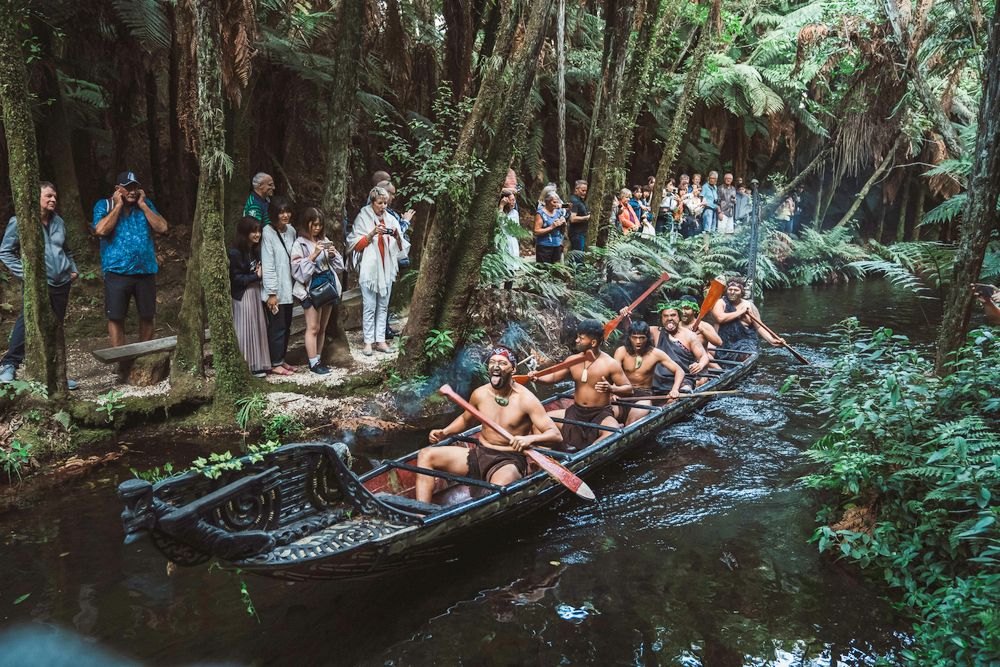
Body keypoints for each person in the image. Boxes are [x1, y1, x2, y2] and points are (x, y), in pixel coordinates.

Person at [415, 346, 563, 503]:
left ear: (513, 369)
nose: (496, 366)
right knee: (426, 455)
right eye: (492, 362)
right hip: (480, 453)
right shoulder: (480, 394)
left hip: (508, 459)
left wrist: (529, 439)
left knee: (495, 492)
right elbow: (466, 420)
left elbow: (555, 435)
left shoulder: (526, 400)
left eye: (502, 363)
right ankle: (420, 514)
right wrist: (445, 432)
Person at [0, 182, 79, 387]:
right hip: (38, 285)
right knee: (27, 322)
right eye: (48, 196)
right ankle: (9, 364)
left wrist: (73, 269)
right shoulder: (21, 222)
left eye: (55, 196)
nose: (53, 199)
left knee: (55, 327)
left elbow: (66, 250)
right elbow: (5, 252)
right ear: (37, 198)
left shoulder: (59, 222)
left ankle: (56, 375)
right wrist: (28, 275)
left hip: (62, 283)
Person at [92, 170, 168, 349]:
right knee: (116, 317)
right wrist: (118, 206)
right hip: (117, 272)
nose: (132, 191)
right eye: (127, 188)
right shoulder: (105, 205)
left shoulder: (145, 204)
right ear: (118, 189)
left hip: (145, 270)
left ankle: (144, 357)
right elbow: (101, 230)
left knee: (148, 314)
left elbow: (163, 227)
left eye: (135, 187)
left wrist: (143, 205)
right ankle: (122, 361)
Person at [530, 319, 632, 450]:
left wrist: (612, 388)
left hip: (600, 414)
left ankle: (590, 453)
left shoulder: (610, 364)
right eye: (578, 337)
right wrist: (537, 378)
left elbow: (629, 389)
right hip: (576, 412)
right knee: (540, 424)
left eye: (581, 338)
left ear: (593, 342)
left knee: (613, 432)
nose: (577, 340)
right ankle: (557, 455)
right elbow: (554, 378)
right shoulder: (573, 360)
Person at [348, 186, 407, 356]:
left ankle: (380, 340)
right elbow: (355, 245)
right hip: (370, 270)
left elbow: (401, 248)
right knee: (369, 306)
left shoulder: (390, 219)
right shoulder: (363, 217)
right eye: (380, 203)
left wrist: (396, 237)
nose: (383, 206)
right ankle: (368, 342)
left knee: (383, 305)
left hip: (387, 268)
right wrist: (372, 233)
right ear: (372, 202)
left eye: (385, 203)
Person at [292, 208, 344, 375]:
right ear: (306, 224)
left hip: (328, 286)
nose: (317, 228)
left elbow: (339, 267)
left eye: (320, 225)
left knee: (322, 327)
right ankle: (313, 363)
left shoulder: (324, 239)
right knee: (313, 327)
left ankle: (319, 359)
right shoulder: (299, 244)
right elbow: (298, 272)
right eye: (314, 225)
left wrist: (332, 255)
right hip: (310, 289)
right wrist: (313, 255)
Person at [612, 321, 684, 425]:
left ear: (647, 338)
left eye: (642, 338)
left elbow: (679, 370)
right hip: (622, 393)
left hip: (643, 396)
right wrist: (613, 390)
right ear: (629, 338)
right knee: (608, 415)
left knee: (631, 422)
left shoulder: (655, 353)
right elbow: (614, 373)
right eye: (634, 337)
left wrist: (674, 390)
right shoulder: (621, 351)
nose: (638, 341)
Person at [228, 216, 271, 378]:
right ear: (244, 232)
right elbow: (236, 279)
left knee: (257, 326)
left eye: (259, 231)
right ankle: (246, 365)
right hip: (243, 294)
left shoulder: (253, 250)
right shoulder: (235, 253)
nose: (257, 234)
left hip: (254, 293)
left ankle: (257, 363)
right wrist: (257, 275)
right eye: (254, 231)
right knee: (245, 328)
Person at [260, 197, 298, 375]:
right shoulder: (267, 232)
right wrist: (272, 293)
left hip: (288, 287)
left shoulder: (291, 231)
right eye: (281, 212)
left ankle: (281, 359)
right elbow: (268, 265)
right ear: (274, 214)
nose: (285, 215)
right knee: (277, 327)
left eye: (287, 211)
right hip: (274, 291)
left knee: (287, 325)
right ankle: (274, 362)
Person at [710, 277, 786, 353]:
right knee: (709, 350)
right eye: (730, 289)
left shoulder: (749, 306)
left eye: (736, 290)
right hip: (722, 342)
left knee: (745, 352)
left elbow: (759, 327)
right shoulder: (720, 303)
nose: (732, 292)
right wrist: (741, 312)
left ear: (742, 292)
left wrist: (771, 340)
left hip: (744, 342)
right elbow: (720, 318)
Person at [650, 305, 711, 391]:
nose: (669, 318)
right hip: (659, 378)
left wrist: (700, 365)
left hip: (684, 379)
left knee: (683, 392)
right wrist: (625, 318)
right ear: (661, 318)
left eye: (673, 315)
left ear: (679, 317)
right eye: (666, 316)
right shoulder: (655, 332)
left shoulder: (689, 335)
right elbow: (635, 333)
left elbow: (704, 356)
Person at [533, 189, 567, 263]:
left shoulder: (558, 213)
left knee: (555, 271)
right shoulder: (540, 214)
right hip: (544, 247)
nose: (556, 204)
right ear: (547, 202)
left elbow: (562, 231)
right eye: (554, 202)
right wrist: (551, 227)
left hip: (557, 245)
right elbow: (536, 231)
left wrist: (564, 224)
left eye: (557, 202)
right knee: (544, 270)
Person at [568, 180, 591, 254]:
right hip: (577, 234)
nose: (584, 192)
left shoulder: (580, 200)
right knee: (578, 257)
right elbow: (572, 218)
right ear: (576, 189)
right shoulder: (574, 201)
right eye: (582, 190)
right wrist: (587, 217)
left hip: (581, 233)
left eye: (585, 191)